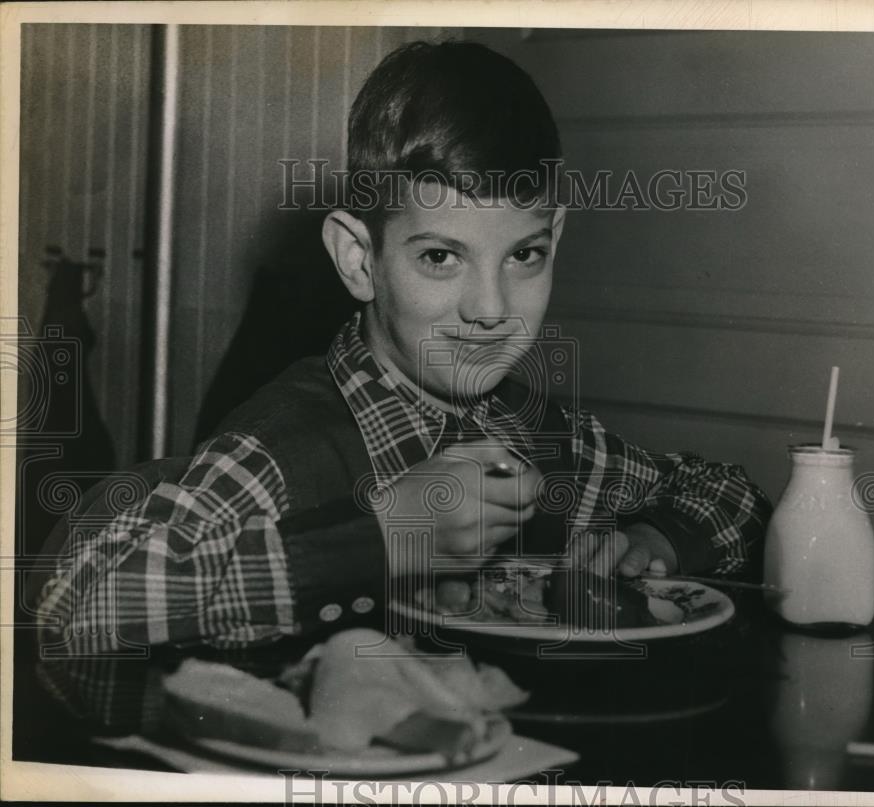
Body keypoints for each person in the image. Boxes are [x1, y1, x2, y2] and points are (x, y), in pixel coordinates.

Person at [31, 41, 771, 729]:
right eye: (442, 257)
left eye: (526, 254)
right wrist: (383, 536)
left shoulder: (534, 437)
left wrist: (654, 541)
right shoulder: (282, 450)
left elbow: (730, 497)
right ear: (358, 258)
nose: (491, 308)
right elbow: (68, 614)